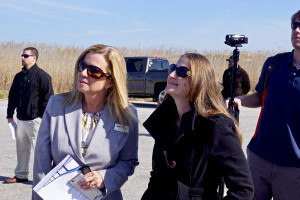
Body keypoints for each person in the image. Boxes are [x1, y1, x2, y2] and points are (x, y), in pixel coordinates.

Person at [32, 44, 139, 200]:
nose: (82, 73)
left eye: (93, 71)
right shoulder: (56, 105)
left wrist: (105, 177)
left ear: (110, 81)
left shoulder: (127, 116)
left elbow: (128, 161)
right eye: (82, 66)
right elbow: (41, 161)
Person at [141, 53, 254, 200]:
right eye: (172, 68)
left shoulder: (215, 126)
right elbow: (157, 179)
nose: (172, 74)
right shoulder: (165, 119)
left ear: (199, 82)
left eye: (182, 72)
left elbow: (243, 190)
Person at [228, 10, 300, 200]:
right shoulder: (273, 64)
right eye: (295, 25)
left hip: (295, 168)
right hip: (259, 157)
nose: (297, 30)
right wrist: (240, 101)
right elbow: (260, 97)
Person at [5, 47, 54, 184]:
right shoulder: (18, 76)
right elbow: (12, 96)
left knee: (41, 152)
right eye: (22, 55)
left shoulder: (42, 76)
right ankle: (21, 174)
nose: (22, 57)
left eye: (25, 55)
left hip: (36, 120)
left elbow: (49, 99)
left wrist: (41, 117)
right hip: (20, 119)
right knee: (21, 148)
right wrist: (10, 115)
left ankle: (45, 179)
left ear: (34, 58)